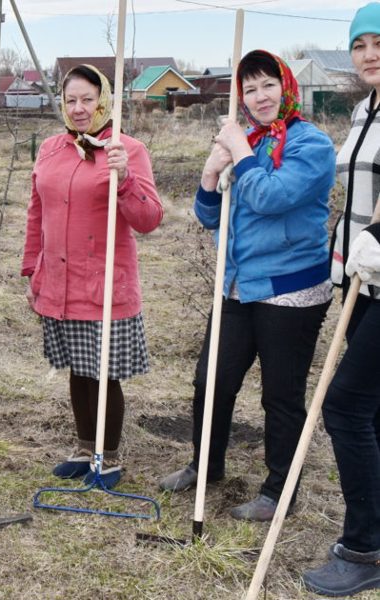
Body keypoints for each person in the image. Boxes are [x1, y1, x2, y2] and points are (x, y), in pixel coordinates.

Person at [159, 50, 336, 521]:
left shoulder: (311, 145)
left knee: (280, 394)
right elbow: (208, 214)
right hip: (236, 284)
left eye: (268, 85)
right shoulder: (249, 140)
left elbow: (271, 197)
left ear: (287, 88)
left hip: (291, 290)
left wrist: (240, 151)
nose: (259, 97)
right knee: (211, 380)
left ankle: (279, 492)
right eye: (250, 88)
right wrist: (211, 172)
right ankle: (206, 464)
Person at [22, 65, 162, 489]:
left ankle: (109, 456)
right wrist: (33, 269)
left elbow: (149, 218)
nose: (79, 108)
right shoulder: (51, 148)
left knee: (103, 372)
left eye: (88, 99)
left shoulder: (126, 149)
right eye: (71, 100)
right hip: (58, 282)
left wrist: (125, 178)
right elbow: (36, 213)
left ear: (105, 102)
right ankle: (85, 448)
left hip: (103, 283)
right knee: (78, 369)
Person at [302, 4, 380, 596]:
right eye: (361, 44)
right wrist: (345, 250)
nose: (370, 53)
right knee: (374, 410)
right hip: (362, 282)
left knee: (346, 406)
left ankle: (363, 547)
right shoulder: (361, 110)